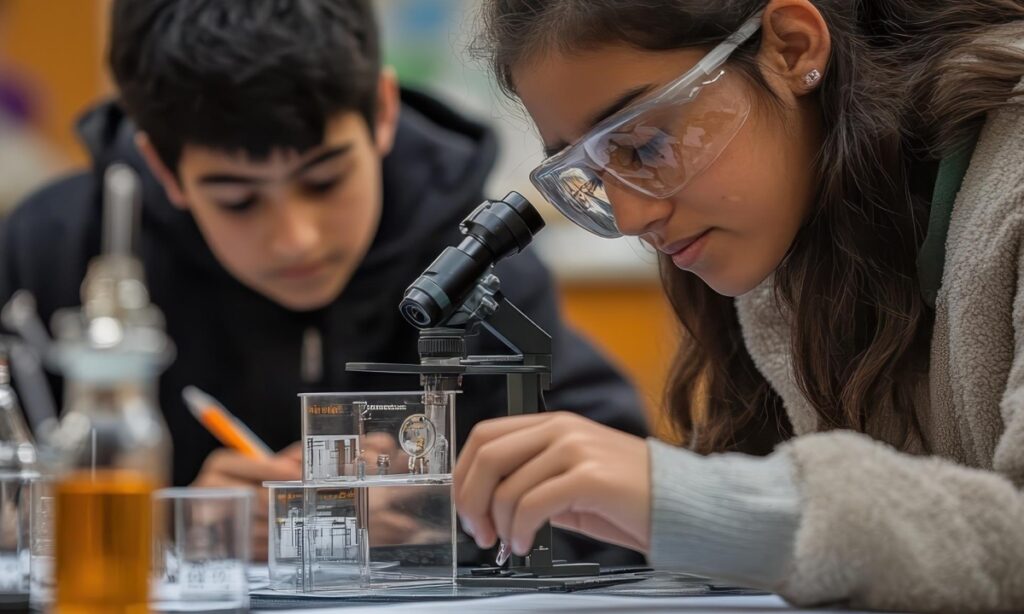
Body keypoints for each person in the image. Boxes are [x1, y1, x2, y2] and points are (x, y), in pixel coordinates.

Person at [0, 0, 647, 564]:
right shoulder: (58, 253)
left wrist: (440, 522)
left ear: (383, 111)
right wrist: (173, 525)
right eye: (237, 200)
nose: (296, 239)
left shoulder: (467, 261)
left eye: (325, 180)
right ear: (163, 170)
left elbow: (625, 512)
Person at [454, 0, 1024, 610]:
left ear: (792, 48)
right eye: (590, 174)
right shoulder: (786, 245)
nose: (629, 216)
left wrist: (701, 502)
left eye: (643, 146)